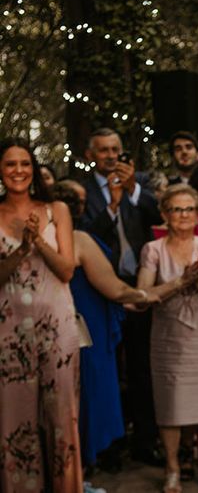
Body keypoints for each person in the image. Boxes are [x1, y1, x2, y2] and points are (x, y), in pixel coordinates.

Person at [52, 180, 161, 469]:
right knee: (88, 389)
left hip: (75, 320)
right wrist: (146, 295)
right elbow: (115, 289)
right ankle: (80, 466)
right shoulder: (78, 239)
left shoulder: (47, 236)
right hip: (85, 324)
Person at [0, 139, 81, 492]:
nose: (18, 170)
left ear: (33, 169)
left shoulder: (57, 209)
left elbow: (67, 271)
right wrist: (21, 250)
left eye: (25, 163)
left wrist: (40, 241)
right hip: (9, 327)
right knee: (13, 415)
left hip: (57, 325)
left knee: (61, 414)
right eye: (10, 164)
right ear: (0, 171)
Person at [80, 127, 163, 465]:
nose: (111, 156)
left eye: (115, 149)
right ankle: (110, 446)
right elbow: (83, 237)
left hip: (140, 283)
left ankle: (146, 441)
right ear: (90, 156)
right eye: (103, 151)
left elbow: (159, 218)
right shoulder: (82, 192)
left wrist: (132, 190)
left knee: (143, 367)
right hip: (102, 289)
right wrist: (112, 207)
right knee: (109, 369)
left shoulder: (139, 183)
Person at [138, 184, 198, 493]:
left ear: (197, 213)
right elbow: (144, 295)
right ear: (165, 214)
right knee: (170, 406)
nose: (184, 215)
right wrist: (179, 282)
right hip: (168, 339)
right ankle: (172, 468)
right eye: (176, 209)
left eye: (189, 209)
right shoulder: (153, 250)